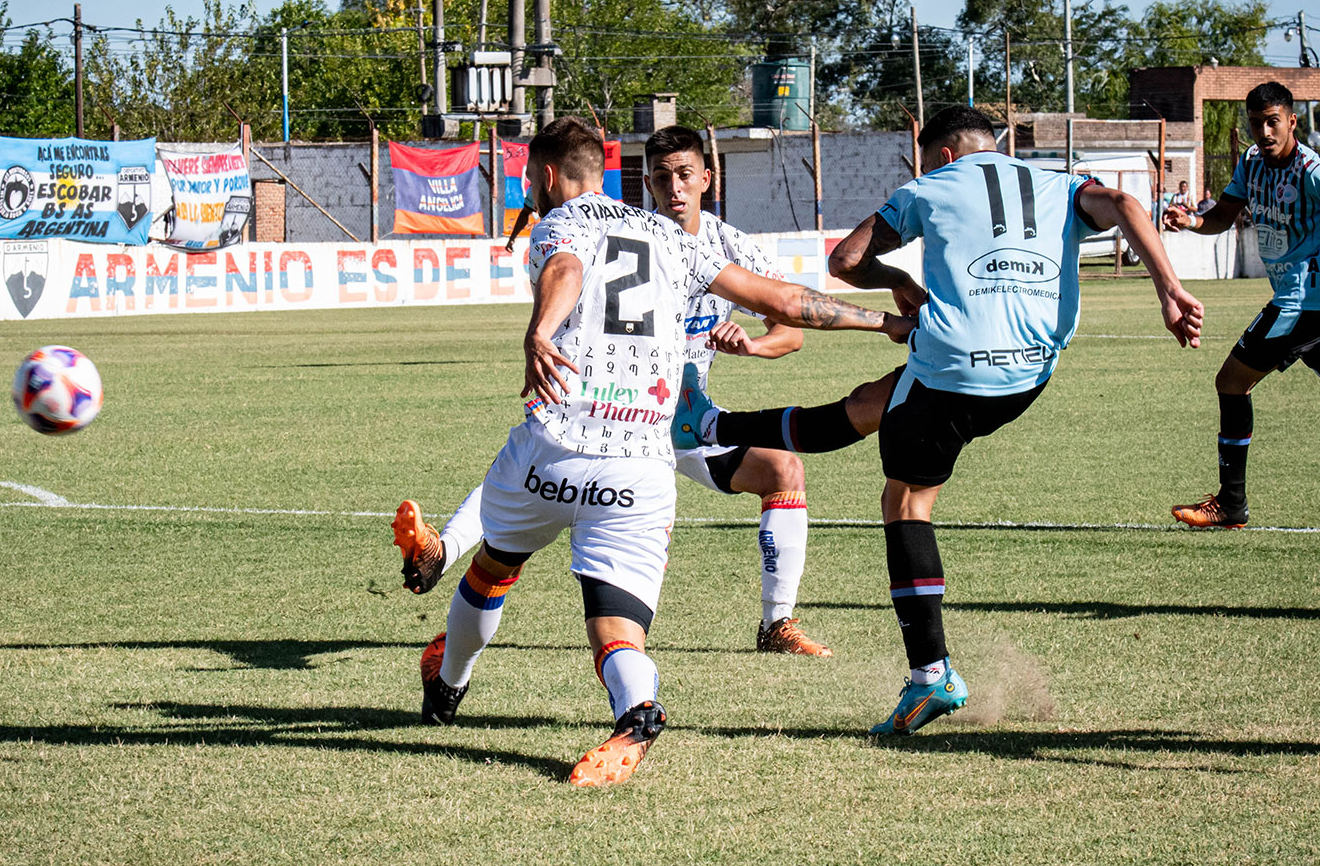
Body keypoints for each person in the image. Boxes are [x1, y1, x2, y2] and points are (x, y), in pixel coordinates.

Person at [412, 116, 911, 786]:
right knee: (617, 628)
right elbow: (785, 301)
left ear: (550, 176)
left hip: (559, 442)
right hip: (643, 463)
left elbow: (563, 266)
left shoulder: (561, 222)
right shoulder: (673, 239)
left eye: (532, 178)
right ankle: (637, 708)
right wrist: (886, 321)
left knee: (493, 568)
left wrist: (541, 329)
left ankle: (446, 686)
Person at [673, 105, 1203, 734]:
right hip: (1029, 374)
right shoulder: (1059, 182)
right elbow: (1125, 205)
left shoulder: (930, 186)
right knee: (877, 402)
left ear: (946, 156)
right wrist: (1168, 288)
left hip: (955, 365)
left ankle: (930, 678)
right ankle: (714, 428)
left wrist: (894, 276)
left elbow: (845, 261)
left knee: (905, 501)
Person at [1168, 81, 1320, 528]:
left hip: (1301, 301)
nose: (1265, 132)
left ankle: (1232, 504)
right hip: (1295, 299)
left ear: (1293, 121)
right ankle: (1231, 504)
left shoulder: (1311, 170)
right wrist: (1191, 220)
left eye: (1273, 121)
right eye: (1256, 123)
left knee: (1232, 382)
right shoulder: (1251, 164)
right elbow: (1220, 217)